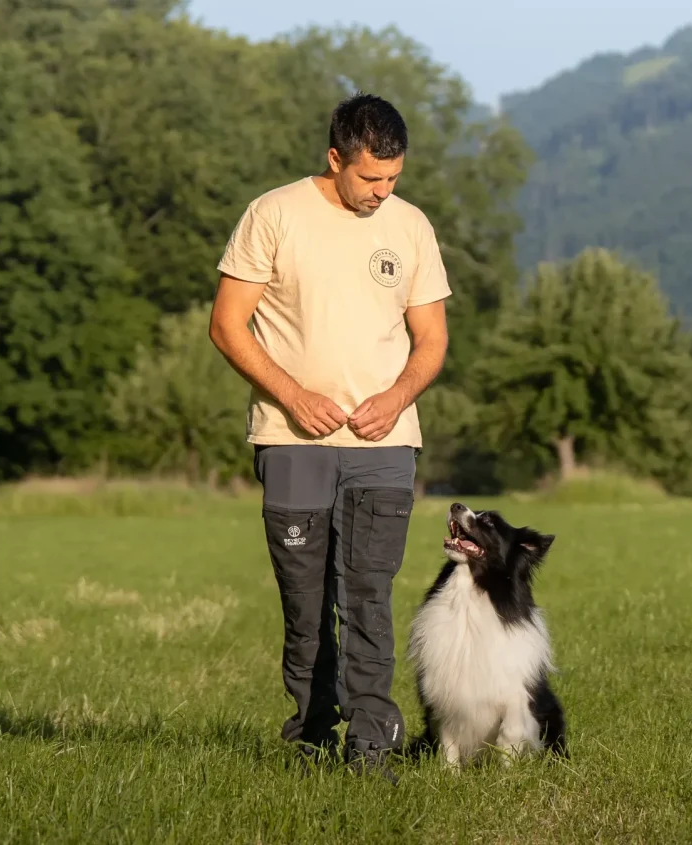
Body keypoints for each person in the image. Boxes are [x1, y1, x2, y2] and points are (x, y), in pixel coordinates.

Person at [208, 93, 451, 783]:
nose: (382, 191)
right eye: (370, 177)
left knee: (369, 597)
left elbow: (432, 340)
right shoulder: (273, 214)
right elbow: (226, 324)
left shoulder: (410, 226)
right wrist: (293, 396)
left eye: (393, 178)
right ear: (335, 157)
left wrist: (397, 398)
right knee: (306, 603)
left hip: (385, 447)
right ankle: (312, 737)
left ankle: (372, 746)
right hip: (291, 441)